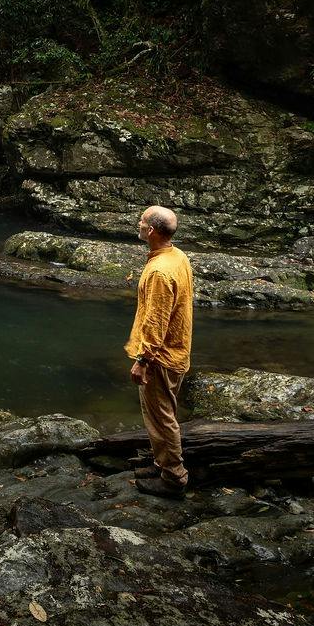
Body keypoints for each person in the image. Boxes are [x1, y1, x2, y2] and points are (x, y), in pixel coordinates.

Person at [126, 203, 194, 497]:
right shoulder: (176, 256)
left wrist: (143, 360)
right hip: (177, 351)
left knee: (161, 416)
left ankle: (173, 477)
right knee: (160, 412)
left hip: (160, 358)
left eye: (141, 221)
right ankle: (160, 461)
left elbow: (156, 322)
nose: (138, 224)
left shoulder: (159, 271)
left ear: (151, 230)